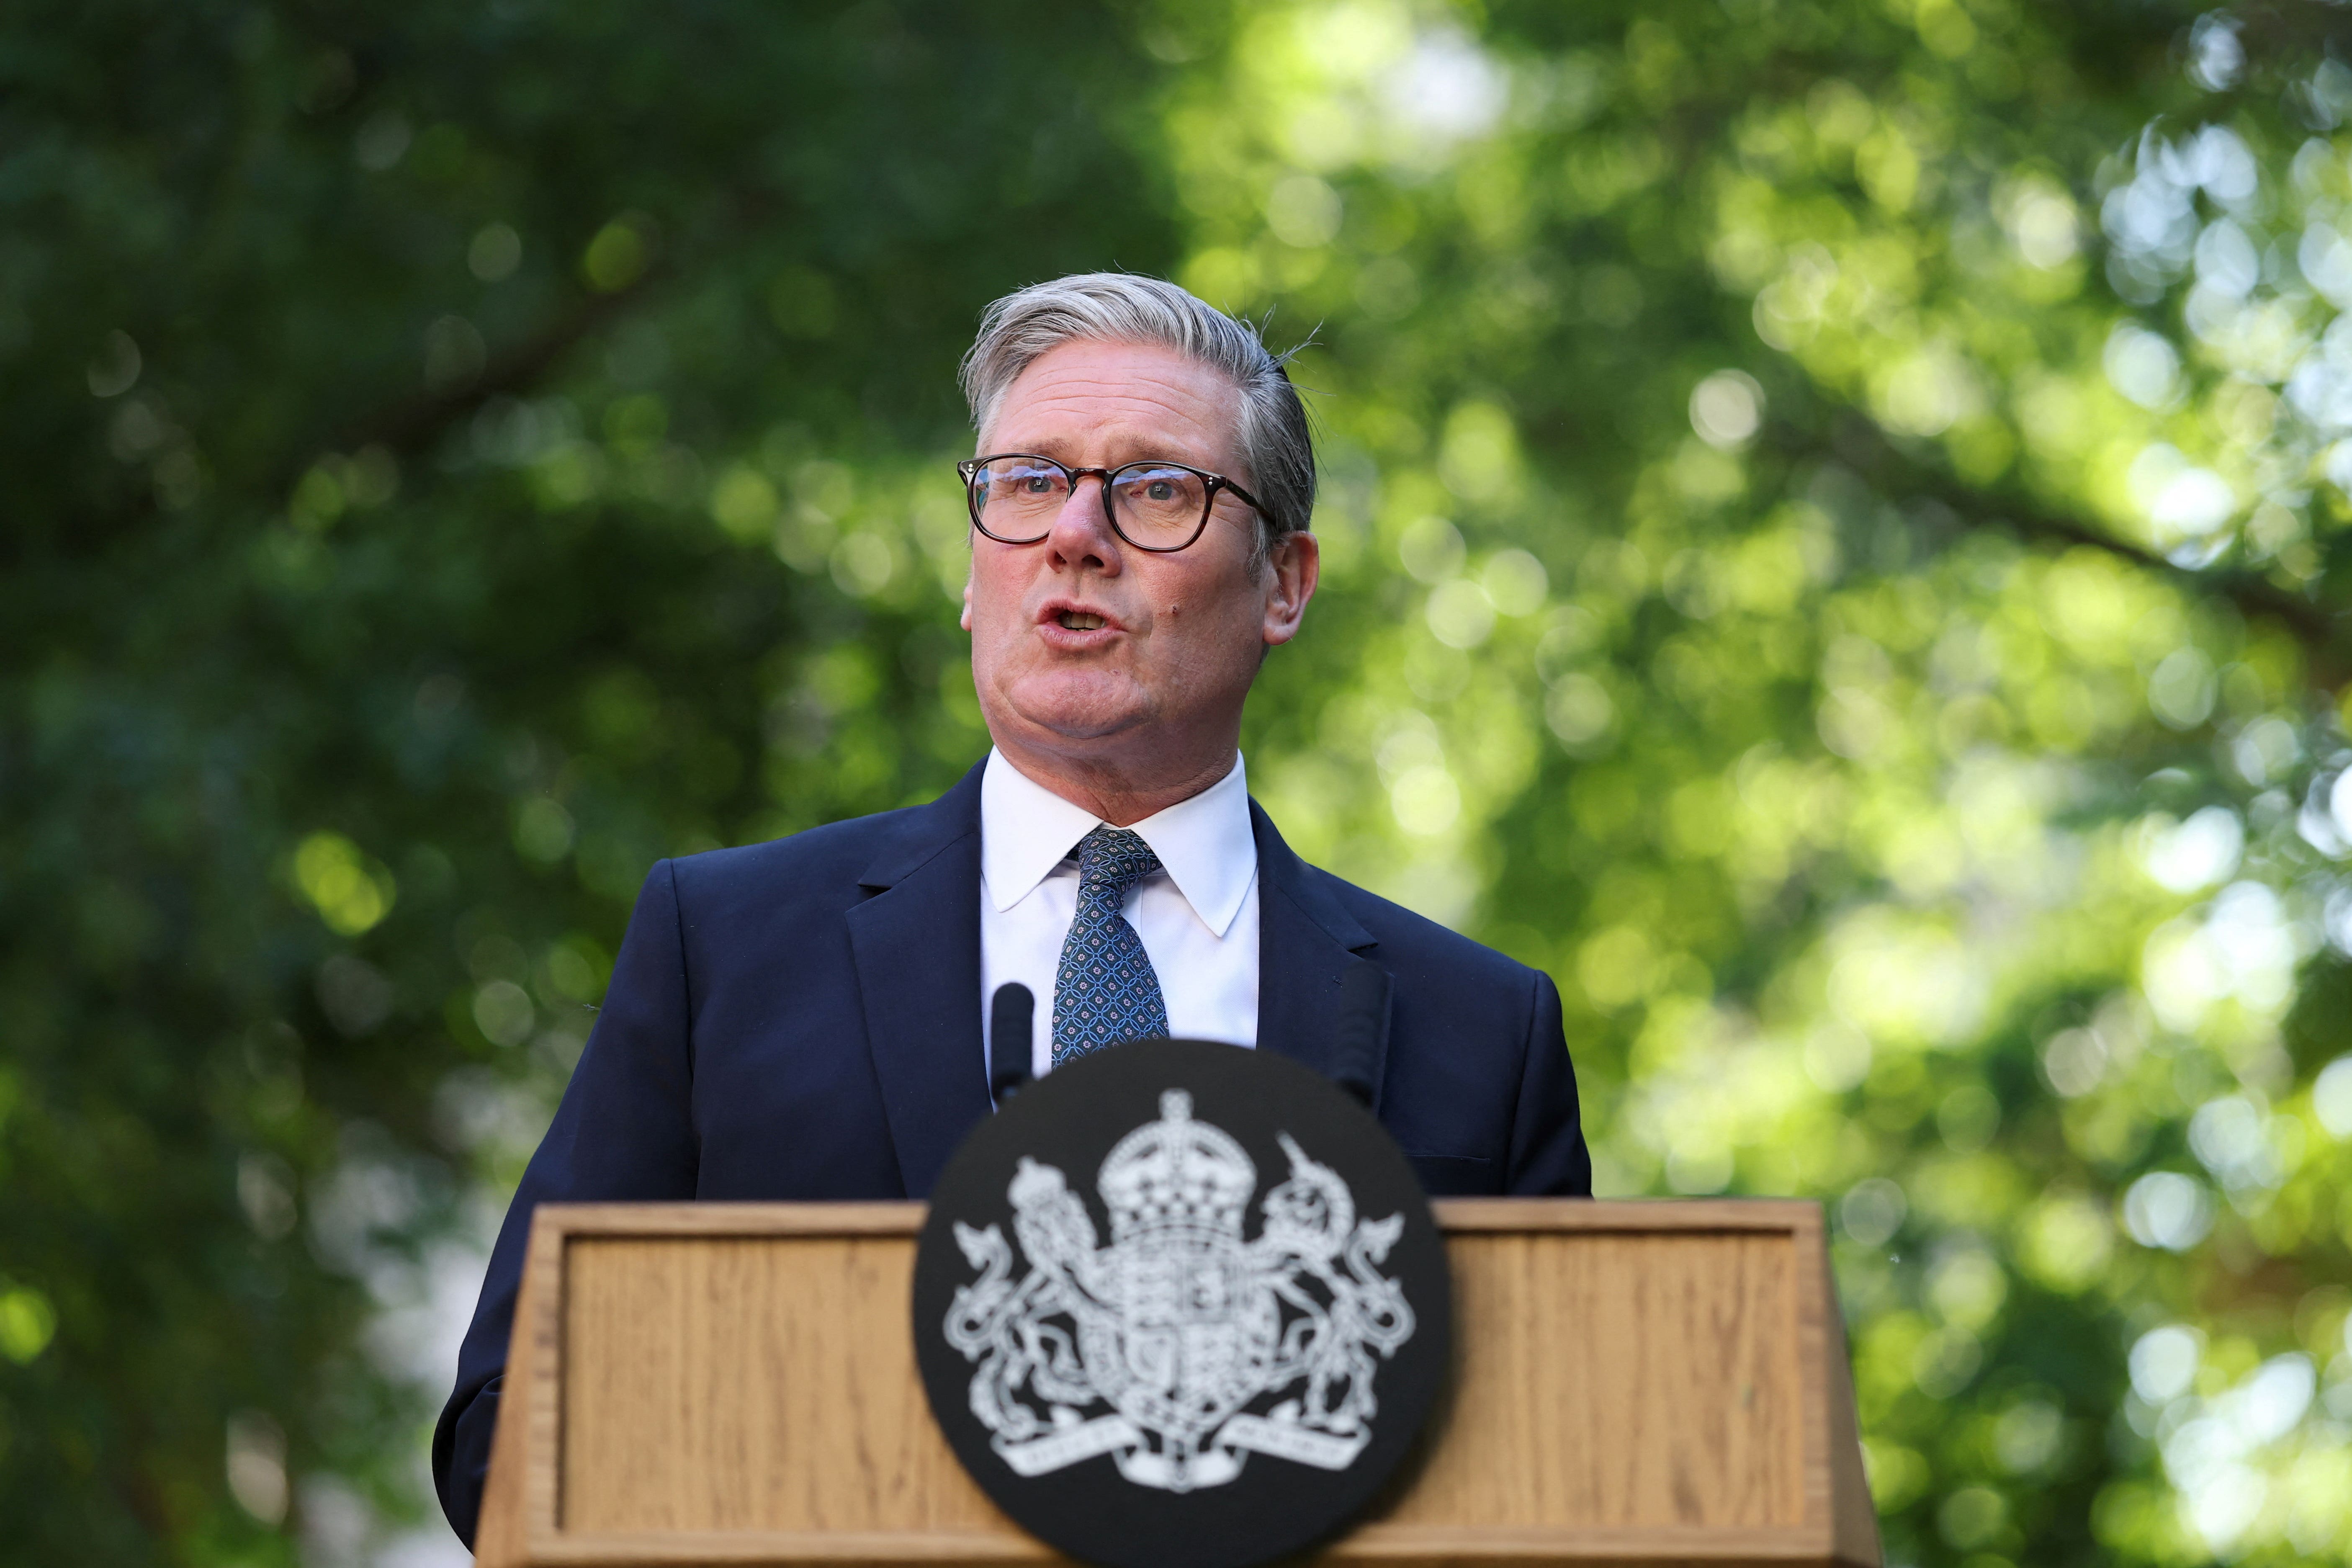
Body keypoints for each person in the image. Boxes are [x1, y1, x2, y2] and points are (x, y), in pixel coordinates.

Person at [431, 273, 1590, 1543]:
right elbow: (511, 1426)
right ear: (973, 569)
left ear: (1284, 584)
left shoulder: (1482, 1030)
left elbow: (1568, 1477)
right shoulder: (725, 948)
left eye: (1156, 490)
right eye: (1028, 482)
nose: (1074, 535)